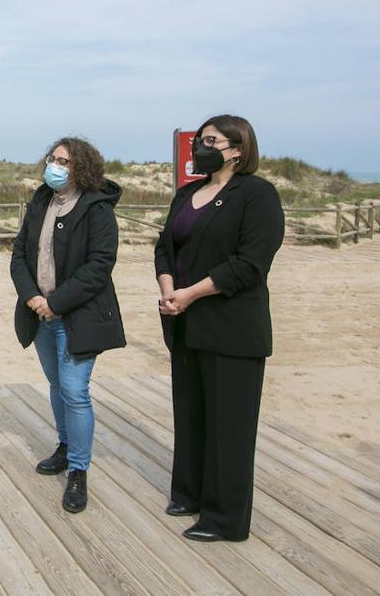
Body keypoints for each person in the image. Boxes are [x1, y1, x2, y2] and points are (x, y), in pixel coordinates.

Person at [155, 114, 284, 542]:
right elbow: (165, 247)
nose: (200, 147)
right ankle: (188, 493)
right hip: (185, 324)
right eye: (199, 140)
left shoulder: (257, 195)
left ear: (237, 149)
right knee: (190, 413)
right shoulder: (188, 193)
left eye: (211, 140)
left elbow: (250, 264)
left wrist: (192, 293)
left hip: (232, 328)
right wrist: (170, 288)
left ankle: (225, 518)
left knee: (229, 425)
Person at [10, 136, 126, 513]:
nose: (54, 166)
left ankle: (78, 470)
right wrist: (32, 297)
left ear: (82, 169)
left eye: (64, 162)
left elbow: (99, 266)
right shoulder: (41, 200)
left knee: (75, 390)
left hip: (77, 317)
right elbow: (19, 254)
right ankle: (64, 446)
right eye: (52, 158)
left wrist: (55, 302)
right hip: (39, 313)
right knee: (58, 385)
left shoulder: (97, 208)